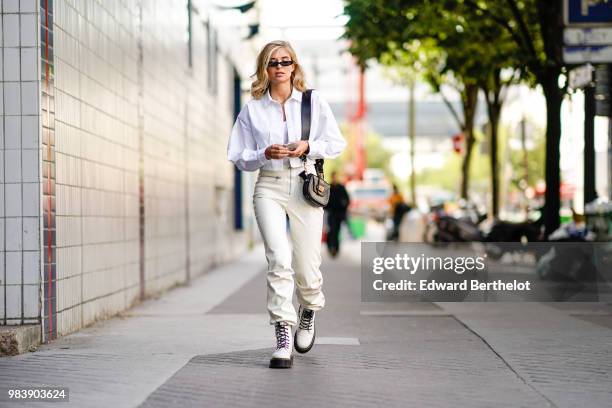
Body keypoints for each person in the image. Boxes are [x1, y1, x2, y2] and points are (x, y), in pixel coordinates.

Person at [227, 40, 347, 369]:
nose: (280, 67)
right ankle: (283, 333)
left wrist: (308, 145)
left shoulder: (312, 102)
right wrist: (263, 153)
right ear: (265, 69)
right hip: (269, 186)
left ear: (294, 66)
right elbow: (238, 156)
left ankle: (308, 310)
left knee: (308, 269)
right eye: (273, 63)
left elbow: (336, 143)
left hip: (305, 186)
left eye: (285, 61)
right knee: (279, 260)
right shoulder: (252, 109)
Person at [324, 171, 350, 257]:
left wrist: (343, 206)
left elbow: (347, 200)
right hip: (331, 213)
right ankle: (330, 247)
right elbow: (324, 199)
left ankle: (336, 248)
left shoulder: (341, 187)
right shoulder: (329, 186)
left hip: (339, 213)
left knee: (337, 231)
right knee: (331, 230)